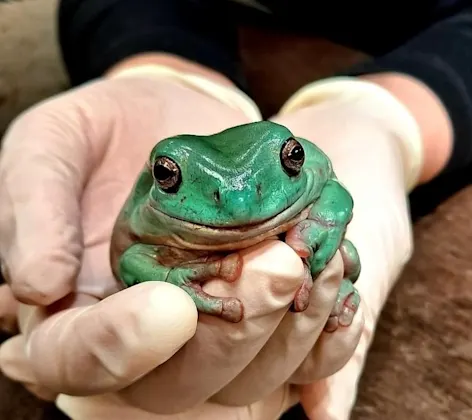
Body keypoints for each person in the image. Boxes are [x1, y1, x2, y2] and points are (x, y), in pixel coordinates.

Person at [0, 0, 470, 418]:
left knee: (336, 276)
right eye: (168, 174)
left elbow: (334, 194)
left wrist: (396, 113)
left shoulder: (312, 175)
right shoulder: (155, 221)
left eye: (290, 160)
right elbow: (131, 257)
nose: (240, 200)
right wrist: (160, 63)